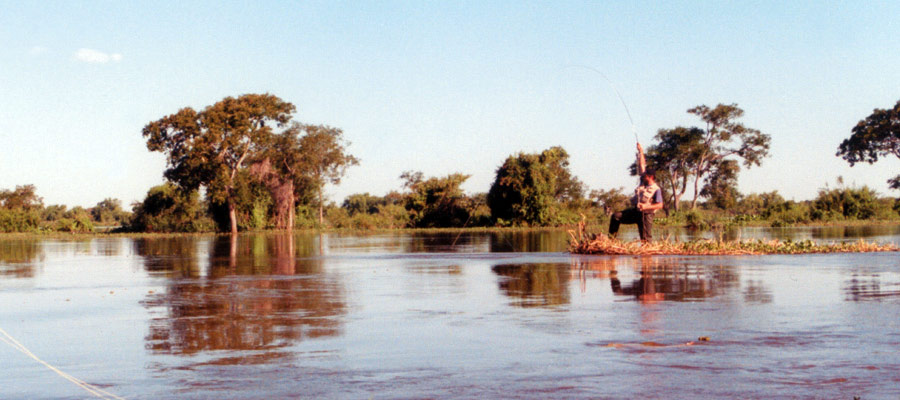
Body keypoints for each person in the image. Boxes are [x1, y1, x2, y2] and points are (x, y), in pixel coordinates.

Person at [609, 143, 664, 241]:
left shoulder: (656, 189)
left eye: (645, 175)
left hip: (646, 215)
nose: (643, 176)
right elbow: (642, 164)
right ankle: (611, 240)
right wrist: (641, 151)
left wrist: (646, 206)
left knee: (646, 240)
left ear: (651, 177)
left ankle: (647, 253)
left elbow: (660, 205)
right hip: (636, 212)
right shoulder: (643, 181)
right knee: (615, 216)